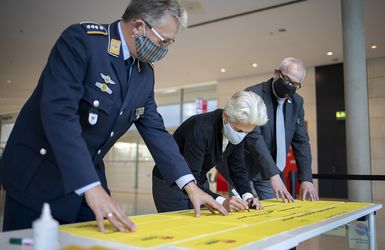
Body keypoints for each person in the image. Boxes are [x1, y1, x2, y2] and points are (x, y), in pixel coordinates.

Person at [0, 0, 228, 232]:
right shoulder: (82, 42)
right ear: (138, 26)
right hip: (39, 175)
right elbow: (59, 114)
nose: (166, 49)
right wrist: (90, 185)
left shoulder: (144, 74)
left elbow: (156, 132)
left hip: (89, 175)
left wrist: (191, 186)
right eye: (164, 41)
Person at [152, 91, 268, 213]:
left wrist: (248, 196)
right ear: (225, 117)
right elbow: (191, 174)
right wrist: (221, 201)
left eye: (247, 132)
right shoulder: (200, 128)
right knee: (179, 226)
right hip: (170, 181)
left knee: (203, 224)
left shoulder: (238, 130)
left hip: (199, 179)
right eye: (239, 130)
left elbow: (237, 167)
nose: (242, 136)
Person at [243, 57, 319, 202]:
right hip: (243, 167)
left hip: (271, 171)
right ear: (277, 73)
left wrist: (306, 178)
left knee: (277, 212)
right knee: (242, 212)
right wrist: (273, 174)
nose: (290, 86)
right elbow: (253, 137)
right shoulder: (253, 94)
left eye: (295, 84)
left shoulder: (296, 102)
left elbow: (301, 141)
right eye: (287, 80)